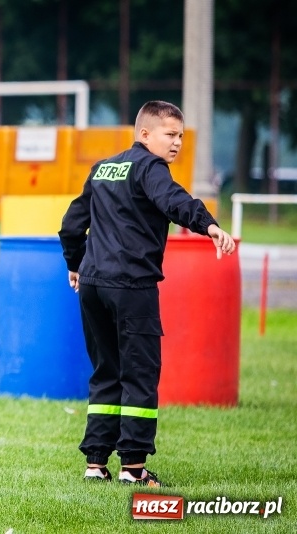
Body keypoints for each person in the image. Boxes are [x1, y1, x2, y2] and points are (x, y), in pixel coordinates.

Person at [58, 100, 235, 487]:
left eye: (181, 137)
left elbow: (72, 225)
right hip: (131, 286)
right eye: (170, 135)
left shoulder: (104, 168)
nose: (176, 144)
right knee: (138, 373)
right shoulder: (151, 167)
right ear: (145, 134)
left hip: (91, 285)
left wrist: (75, 263)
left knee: (106, 371)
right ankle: (133, 468)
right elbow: (173, 201)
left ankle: (95, 464)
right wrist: (208, 225)